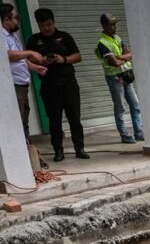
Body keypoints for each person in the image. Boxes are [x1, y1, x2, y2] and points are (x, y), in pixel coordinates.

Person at [27, 8, 88, 161]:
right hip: (49, 86)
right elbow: (26, 59)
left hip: (69, 84)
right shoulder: (34, 40)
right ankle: (58, 150)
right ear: (38, 25)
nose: (46, 28)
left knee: (75, 118)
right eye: (42, 26)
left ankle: (79, 148)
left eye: (49, 24)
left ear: (53, 22)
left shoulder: (64, 36)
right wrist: (41, 60)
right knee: (54, 121)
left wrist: (63, 59)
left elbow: (78, 56)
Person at [0, 3, 47, 141]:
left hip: (22, 83)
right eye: (16, 17)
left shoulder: (13, 36)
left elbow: (21, 59)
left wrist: (34, 67)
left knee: (25, 115)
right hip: (14, 84)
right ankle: (21, 146)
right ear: (6, 19)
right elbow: (8, 55)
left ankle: (25, 145)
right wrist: (30, 52)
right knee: (19, 118)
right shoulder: (1, 36)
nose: (18, 20)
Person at [95, 13, 143, 144]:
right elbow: (114, 63)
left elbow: (130, 54)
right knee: (120, 107)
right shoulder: (102, 43)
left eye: (115, 24)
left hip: (125, 75)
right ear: (104, 25)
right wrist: (122, 58)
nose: (114, 27)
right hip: (114, 78)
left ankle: (139, 132)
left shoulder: (117, 38)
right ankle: (124, 135)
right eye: (111, 25)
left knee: (135, 104)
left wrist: (120, 57)